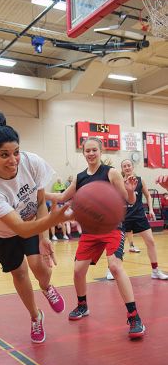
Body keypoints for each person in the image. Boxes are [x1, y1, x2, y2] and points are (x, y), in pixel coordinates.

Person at [0, 112, 69, 344]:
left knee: (40, 267)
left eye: (16, 152)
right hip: (1, 232)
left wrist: (45, 237)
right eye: (4, 155)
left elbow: (38, 203)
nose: (13, 160)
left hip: (30, 220)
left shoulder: (32, 162)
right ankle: (35, 316)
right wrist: (55, 220)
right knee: (19, 272)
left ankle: (47, 287)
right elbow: (19, 229)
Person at [46, 137, 145, 339]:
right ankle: (83, 305)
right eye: (87, 151)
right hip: (91, 231)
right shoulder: (80, 177)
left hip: (112, 227)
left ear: (101, 151)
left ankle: (134, 316)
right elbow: (62, 197)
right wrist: (40, 194)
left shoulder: (111, 173)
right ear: (83, 153)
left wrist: (130, 191)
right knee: (77, 271)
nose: (91, 153)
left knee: (115, 267)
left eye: (94, 150)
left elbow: (130, 200)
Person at [109, 159, 167, 281]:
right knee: (117, 245)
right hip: (123, 217)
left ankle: (155, 270)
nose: (127, 167)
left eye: (129, 165)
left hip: (139, 216)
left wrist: (150, 209)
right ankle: (111, 270)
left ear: (132, 167)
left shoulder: (140, 181)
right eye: (124, 166)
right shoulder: (119, 182)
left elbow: (148, 195)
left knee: (150, 241)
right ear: (122, 168)